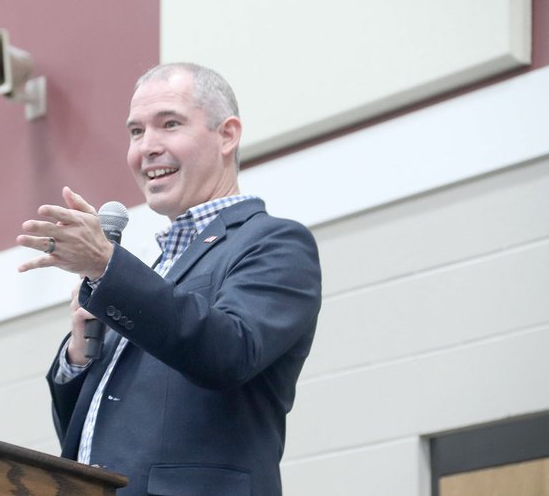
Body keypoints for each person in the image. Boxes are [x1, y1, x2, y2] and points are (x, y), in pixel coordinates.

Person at [16, 63, 321, 495]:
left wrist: (107, 267)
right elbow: (90, 437)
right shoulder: (152, 269)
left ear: (227, 135)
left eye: (169, 125)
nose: (147, 148)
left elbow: (228, 352)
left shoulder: (274, 243)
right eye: (136, 132)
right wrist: (80, 357)